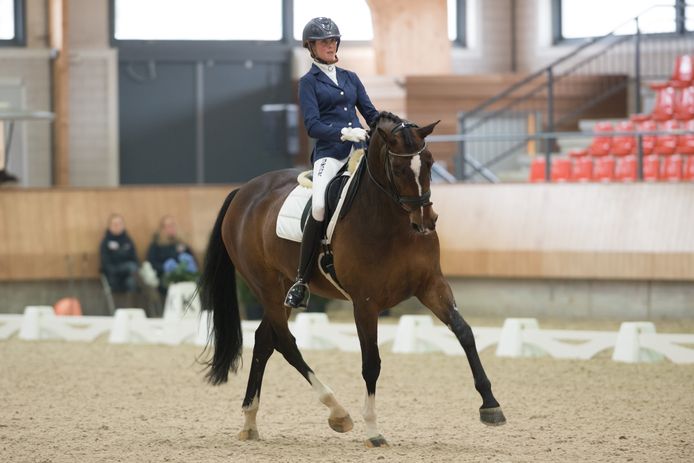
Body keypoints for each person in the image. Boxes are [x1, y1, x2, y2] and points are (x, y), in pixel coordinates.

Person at [284, 17, 380, 310]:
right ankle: (301, 280)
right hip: (330, 153)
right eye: (325, 42)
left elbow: (371, 113)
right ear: (311, 47)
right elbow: (312, 125)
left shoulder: (351, 77)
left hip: (359, 151)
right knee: (319, 206)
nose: (330, 45)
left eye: (333, 40)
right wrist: (342, 132)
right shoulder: (308, 83)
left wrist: (391, 127)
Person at [146, 215, 198, 295]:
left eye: (172, 225)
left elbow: (192, 260)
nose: (170, 228)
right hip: (165, 276)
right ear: (162, 229)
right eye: (167, 226)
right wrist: (166, 268)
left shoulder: (182, 243)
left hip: (184, 275)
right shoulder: (156, 245)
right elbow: (152, 263)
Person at [100, 214, 139, 295]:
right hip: (113, 275)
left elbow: (135, 259)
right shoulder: (105, 242)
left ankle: (132, 305)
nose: (117, 226)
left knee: (132, 280)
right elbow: (106, 263)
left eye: (120, 224)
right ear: (110, 226)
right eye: (114, 224)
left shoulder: (128, 240)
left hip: (128, 275)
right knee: (131, 266)